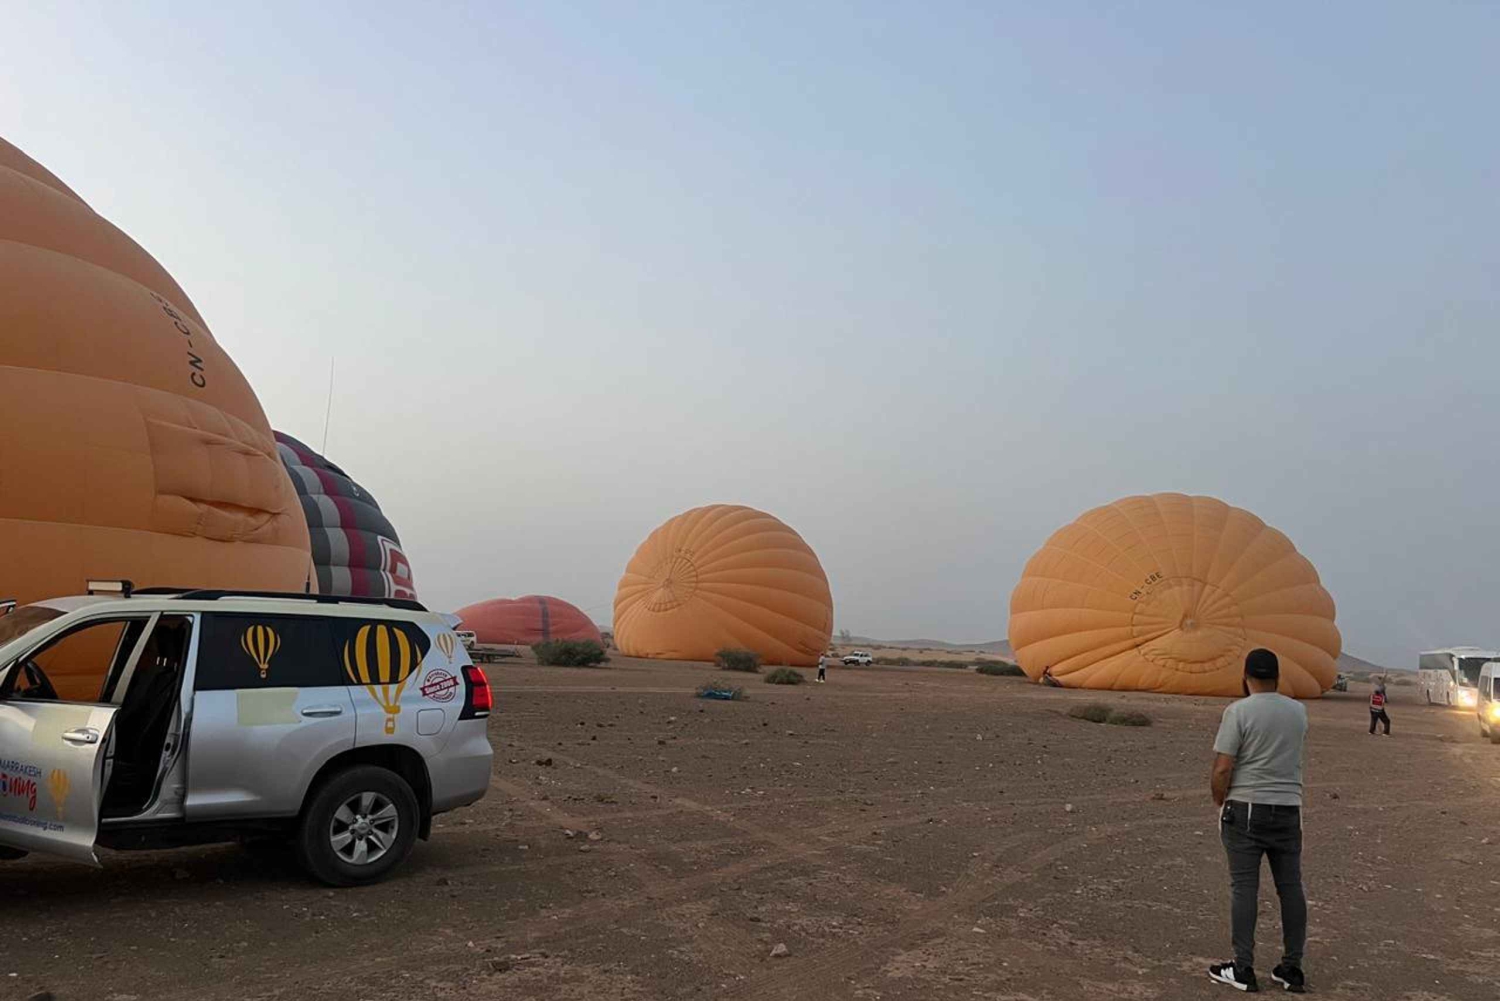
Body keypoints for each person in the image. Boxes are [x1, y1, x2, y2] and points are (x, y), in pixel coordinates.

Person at [1208, 648, 1309, 994]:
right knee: (1291, 888)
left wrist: (1220, 800)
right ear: (1278, 677)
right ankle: (1292, 969)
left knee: (1244, 888)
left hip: (1247, 808)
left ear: (1245, 676)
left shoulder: (1238, 711)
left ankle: (1242, 968)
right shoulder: (1299, 711)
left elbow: (1223, 766)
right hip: (1288, 809)